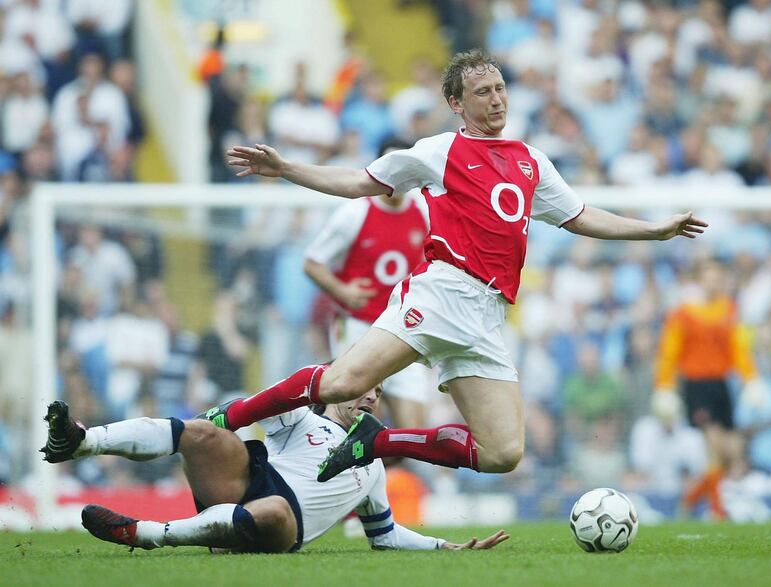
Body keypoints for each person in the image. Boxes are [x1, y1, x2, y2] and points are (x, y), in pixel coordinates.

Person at [214, 48, 706, 482]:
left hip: (488, 315)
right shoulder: (440, 151)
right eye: (483, 92)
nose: (496, 100)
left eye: (500, 89)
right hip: (443, 294)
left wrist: (653, 229)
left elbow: (579, 216)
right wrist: (286, 170)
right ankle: (232, 416)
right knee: (344, 383)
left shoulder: (531, 160)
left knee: (503, 453)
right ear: (457, 103)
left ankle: (374, 442)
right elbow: (358, 181)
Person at [40, 394, 508, 553]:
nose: (369, 398)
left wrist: (443, 545)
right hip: (244, 483)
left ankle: (141, 533)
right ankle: (81, 442)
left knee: (276, 511)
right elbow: (261, 405)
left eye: (377, 394)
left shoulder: (374, 464)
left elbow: (384, 536)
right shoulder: (304, 417)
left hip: (283, 523)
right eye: (362, 388)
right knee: (202, 432)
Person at [303, 138, 431, 429]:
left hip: (402, 329)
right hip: (359, 326)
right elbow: (312, 262)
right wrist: (343, 291)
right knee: (356, 416)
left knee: (413, 433)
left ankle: (372, 472)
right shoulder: (355, 213)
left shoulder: (423, 211)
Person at [653, 258, 764, 519]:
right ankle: (718, 511)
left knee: (731, 452)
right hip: (697, 385)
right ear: (699, 280)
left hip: (721, 385)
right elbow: (669, 352)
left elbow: (738, 349)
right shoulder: (683, 313)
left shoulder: (728, 310)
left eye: (718, 277)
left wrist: (751, 378)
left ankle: (690, 500)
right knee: (714, 448)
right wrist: (664, 386)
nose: (715, 282)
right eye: (709, 276)